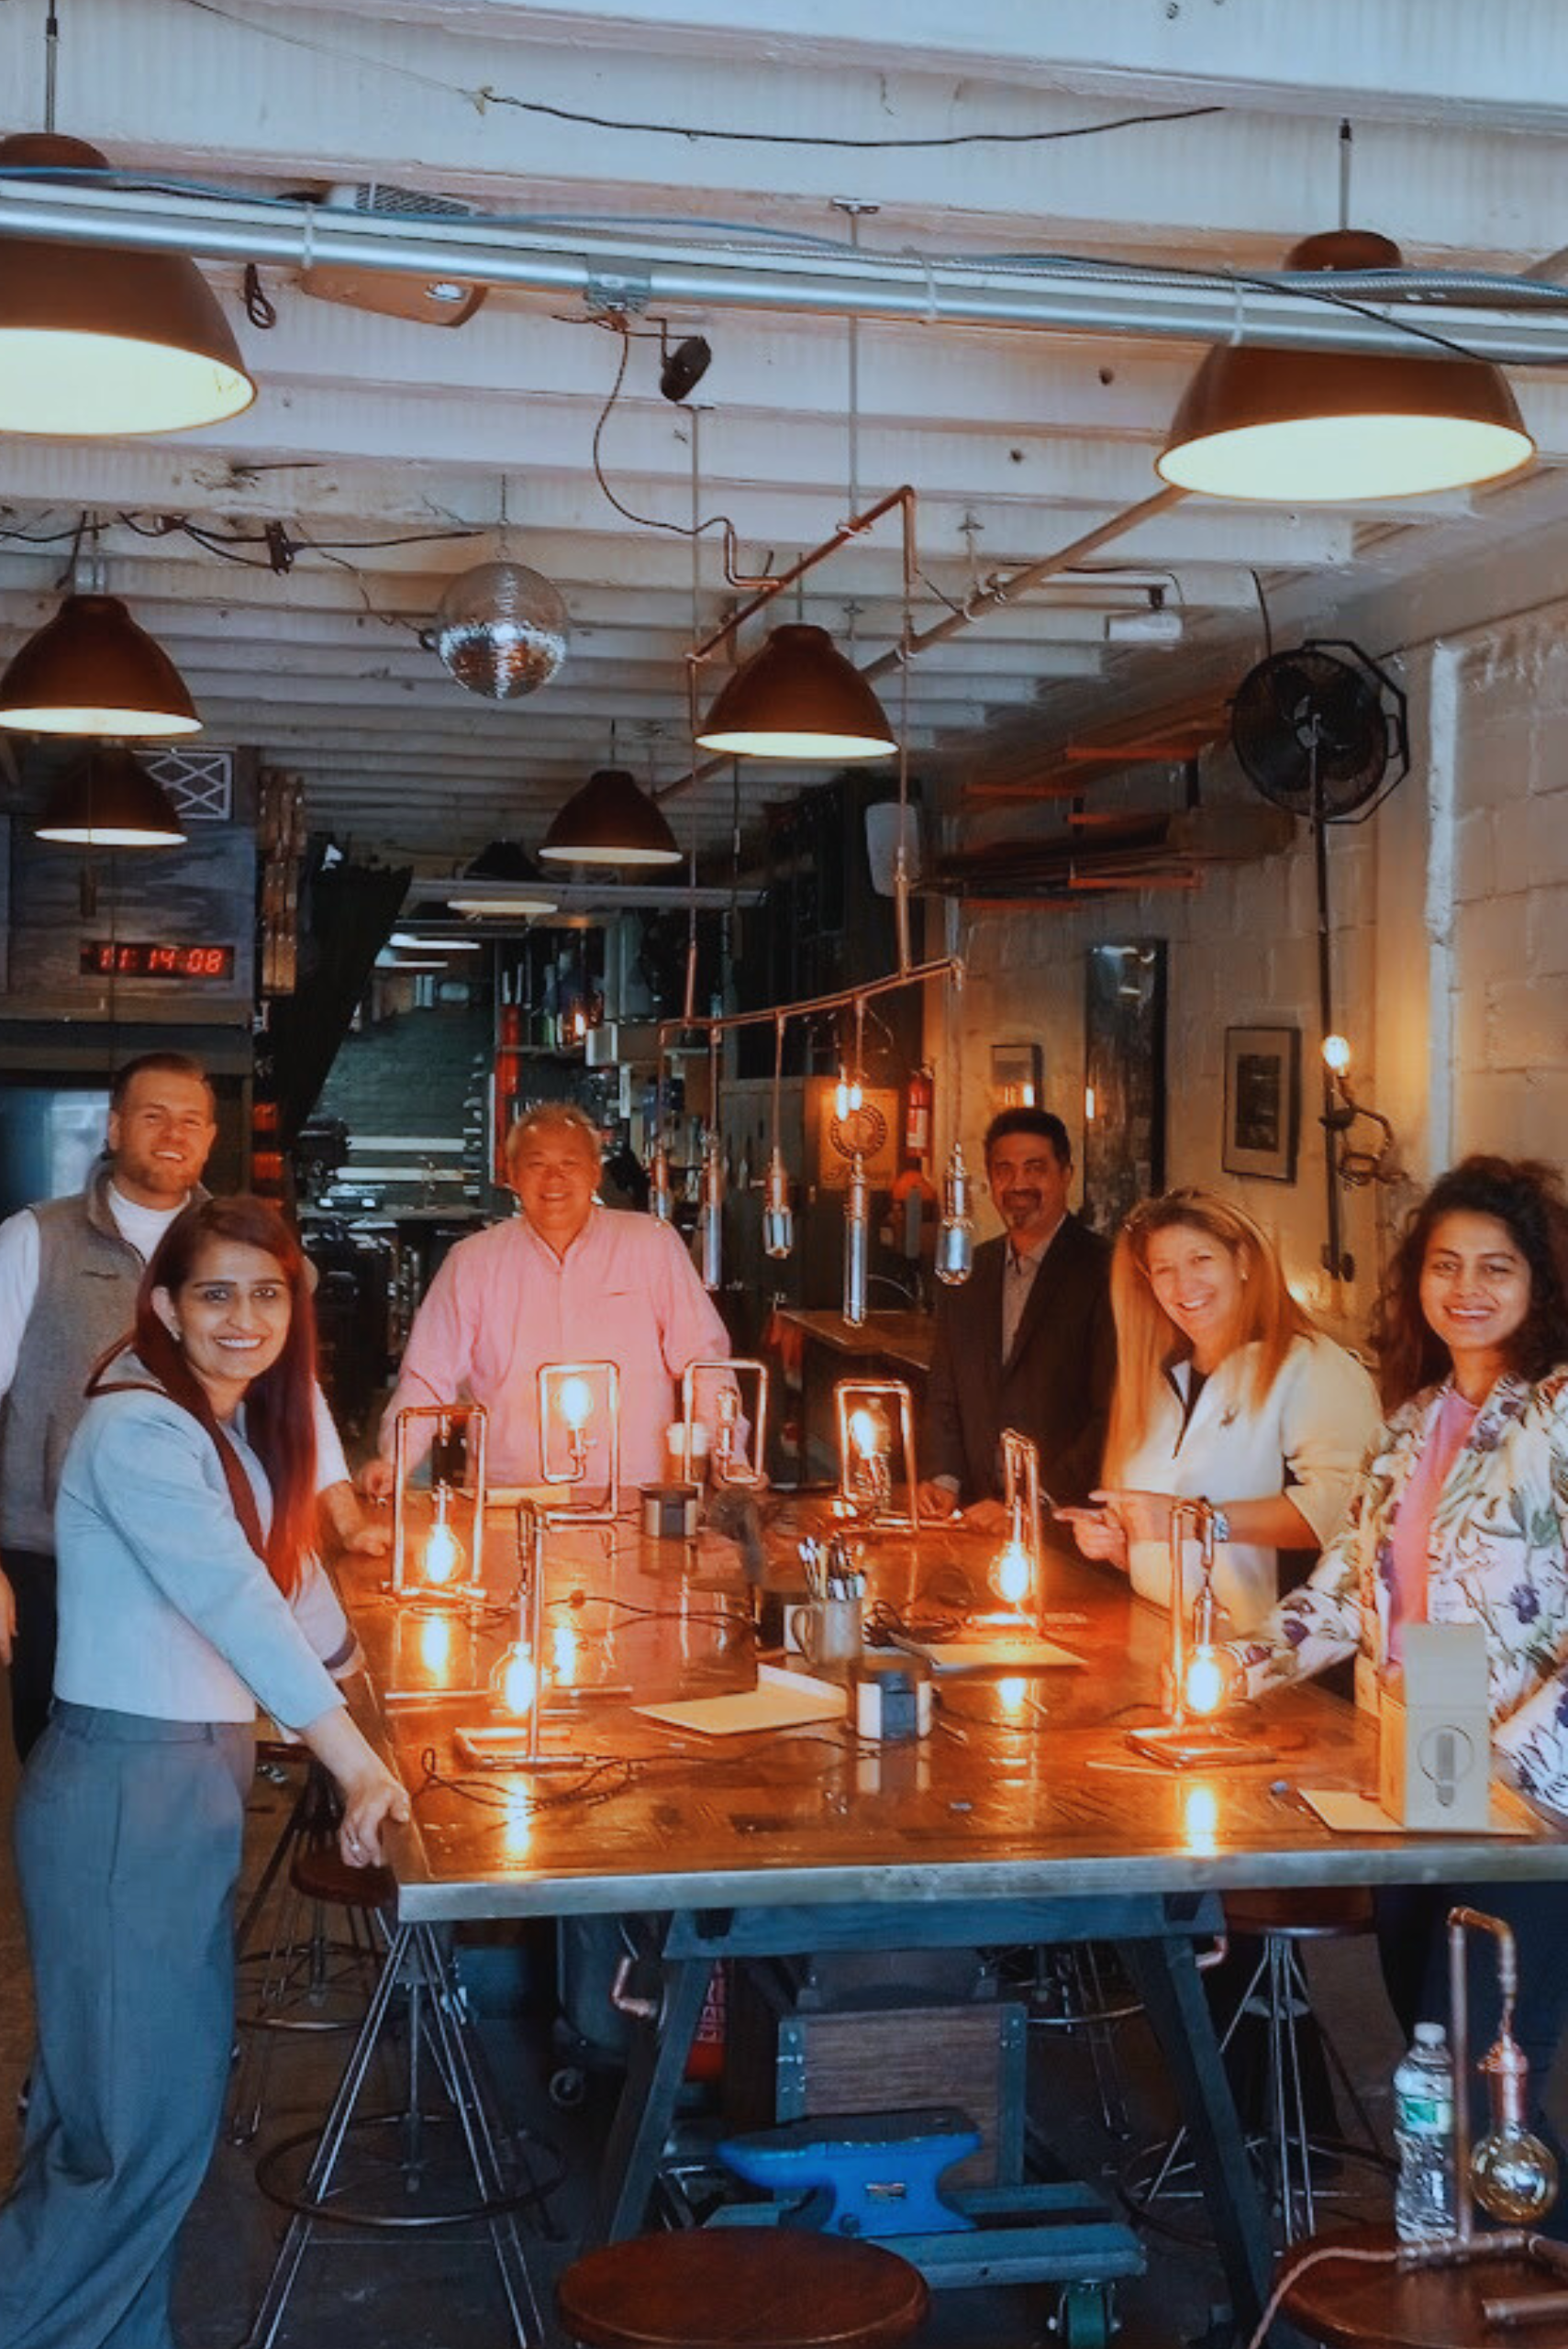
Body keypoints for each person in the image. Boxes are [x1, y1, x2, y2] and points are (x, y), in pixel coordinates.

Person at [0, 1195, 410, 2348]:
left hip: (185, 1790)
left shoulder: (224, 1431)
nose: (245, 1317)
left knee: (125, 2127)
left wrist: (380, 1708)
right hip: (127, 1795)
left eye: (268, 1292)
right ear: (168, 1305)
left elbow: (296, 1595)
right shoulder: (138, 1429)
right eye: (217, 1293)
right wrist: (349, 1755)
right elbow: (231, 1601)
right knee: (128, 2144)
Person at [1216, 1157, 1568, 2195]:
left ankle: (1522, 2279)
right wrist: (1228, 1667)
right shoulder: (1413, 1420)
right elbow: (1337, 1594)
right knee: (1427, 2052)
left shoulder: (1556, 1412)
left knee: (1492, 2073)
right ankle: (1444, 2273)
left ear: (1537, 1284)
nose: (1465, 1287)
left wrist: (1516, 1752)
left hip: (1529, 1786)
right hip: (1415, 1758)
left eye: (1494, 1267)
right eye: (1443, 1264)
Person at [0, 1052, 381, 1762]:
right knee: (71, 1747)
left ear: (211, 1138)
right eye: (153, 1116)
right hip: (52, 1558)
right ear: (113, 1130)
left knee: (205, 1737)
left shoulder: (247, 1247)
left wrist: (344, 1517)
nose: (173, 1133)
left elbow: (294, 1391)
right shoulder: (35, 1239)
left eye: (191, 1120)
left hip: (215, 1544)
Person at [366, 1101, 731, 1493]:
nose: (553, 1180)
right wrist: (394, 1460)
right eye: (537, 1165)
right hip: (510, 1497)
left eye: (569, 1164)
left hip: (634, 1493)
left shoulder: (651, 1244)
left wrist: (731, 1458)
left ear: (595, 1173)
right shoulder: (472, 1262)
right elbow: (427, 1376)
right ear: (511, 1176)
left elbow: (703, 1361)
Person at [1060, 1186, 1379, 1632]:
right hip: (1164, 1639)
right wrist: (1119, 1542)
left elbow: (1345, 1513)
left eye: (1201, 1260)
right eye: (1163, 1269)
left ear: (1243, 1260)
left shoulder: (1310, 1366)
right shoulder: (1157, 1379)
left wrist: (1190, 1521)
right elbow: (1158, 1527)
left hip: (1271, 1662)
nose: (1182, 1285)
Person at [916, 1108, 1114, 1533]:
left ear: (1067, 1175)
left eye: (1035, 1168)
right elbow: (945, 1391)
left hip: (1068, 1530)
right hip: (976, 1520)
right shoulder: (966, 1269)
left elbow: (1111, 1414)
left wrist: (1034, 1503)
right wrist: (943, 1477)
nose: (1018, 1184)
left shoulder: (1106, 1272)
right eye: (1004, 1170)